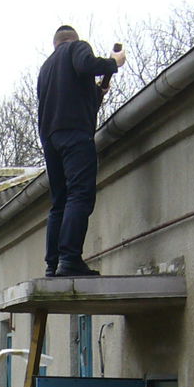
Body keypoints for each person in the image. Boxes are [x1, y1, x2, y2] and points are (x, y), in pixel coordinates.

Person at [37, 24, 126, 277]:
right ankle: (70, 259)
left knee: (60, 201)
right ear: (70, 41)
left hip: (51, 138)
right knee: (80, 194)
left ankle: (52, 265)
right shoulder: (77, 48)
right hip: (75, 134)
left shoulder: (46, 69)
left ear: (54, 44)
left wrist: (98, 93)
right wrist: (113, 63)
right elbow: (87, 64)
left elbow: (71, 101)